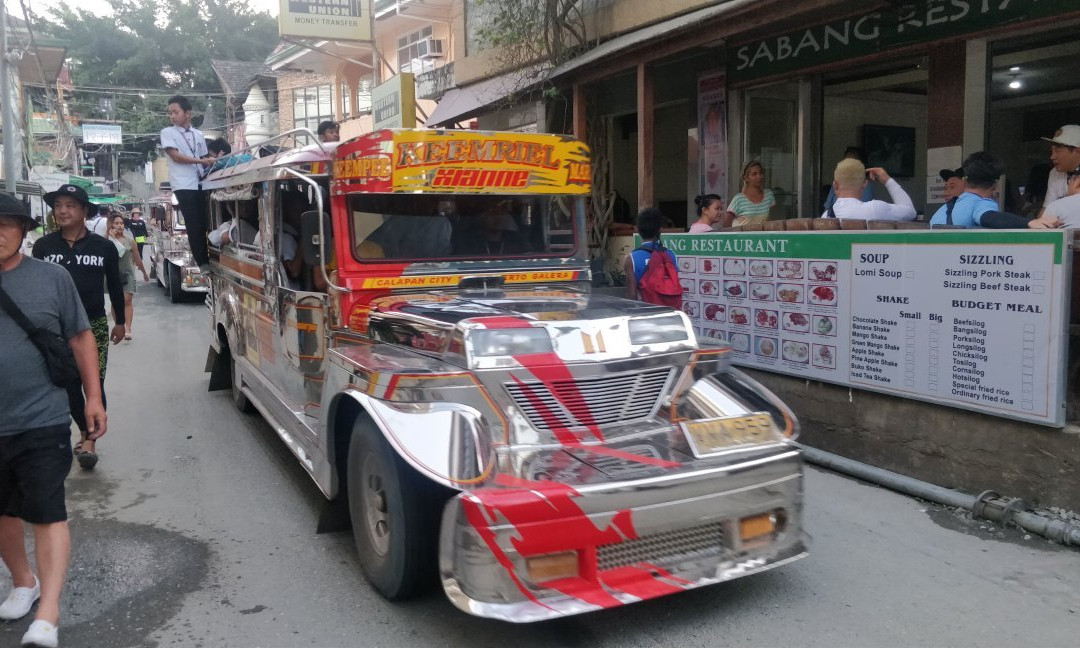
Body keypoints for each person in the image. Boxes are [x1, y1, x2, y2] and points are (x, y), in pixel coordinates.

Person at [0, 191, 106, 648]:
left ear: (25, 230)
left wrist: (93, 399)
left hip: (42, 415)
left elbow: (82, 338)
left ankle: (49, 611)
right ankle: (24, 582)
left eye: (7, 223)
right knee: (4, 510)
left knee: (46, 508)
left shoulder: (51, 278)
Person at [32, 184, 125, 470]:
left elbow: (116, 287)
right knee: (69, 383)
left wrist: (120, 321)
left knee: (94, 382)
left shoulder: (104, 247)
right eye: (58, 205)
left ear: (85, 211)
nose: (62, 210)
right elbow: (36, 289)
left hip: (93, 324)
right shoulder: (43, 247)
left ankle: (90, 441)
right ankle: (85, 433)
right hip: (56, 328)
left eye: (70, 205)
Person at [929, 152, 1061, 229]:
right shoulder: (982, 204)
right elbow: (988, 217)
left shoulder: (942, 210)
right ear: (996, 184)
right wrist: (1030, 222)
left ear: (965, 180)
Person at [160, 95, 215, 273]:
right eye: (171, 113)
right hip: (183, 184)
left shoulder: (198, 135)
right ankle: (202, 262)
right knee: (193, 224)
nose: (172, 116)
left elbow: (203, 156)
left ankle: (214, 254)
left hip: (200, 182)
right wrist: (201, 162)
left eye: (176, 112)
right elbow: (176, 157)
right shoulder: (168, 133)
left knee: (207, 221)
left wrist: (211, 161)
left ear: (188, 113)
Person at [822, 159, 916, 221]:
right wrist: (887, 180)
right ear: (865, 184)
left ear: (835, 185)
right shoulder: (875, 209)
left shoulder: (826, 217)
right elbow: (910, 212)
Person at [106, 214, 149, 340]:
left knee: (127, 300)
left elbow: (137, 258)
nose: (120, 225)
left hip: (128, 274)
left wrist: (144, 272)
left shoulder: (130, 241)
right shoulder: (106, 241)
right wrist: (112, 239)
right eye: (117, 223)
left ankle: (128, 329)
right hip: (112, 275)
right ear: (111, 225)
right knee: (115, 301)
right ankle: (118, 325)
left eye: (121, 223)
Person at [625, 207, 677, 301]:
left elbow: (632, 296)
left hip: (646, 313)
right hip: (668, 312)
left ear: (638, 230)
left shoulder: (632, 258)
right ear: (660, 229)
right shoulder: (670, 255)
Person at [726, 161, 775, 226]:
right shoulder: (739, 199)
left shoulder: (769, 195)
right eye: (754, 174)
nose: (759, 176)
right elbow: (726, 224)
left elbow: (773, 220)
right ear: (746, 178)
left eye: (760, 173)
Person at [1042, 125, 1080, 206]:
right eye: (1051, 151)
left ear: (1077, 151)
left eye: (1058, 150)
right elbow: (1046, 212)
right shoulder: (1054, 173)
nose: (1052, 157)